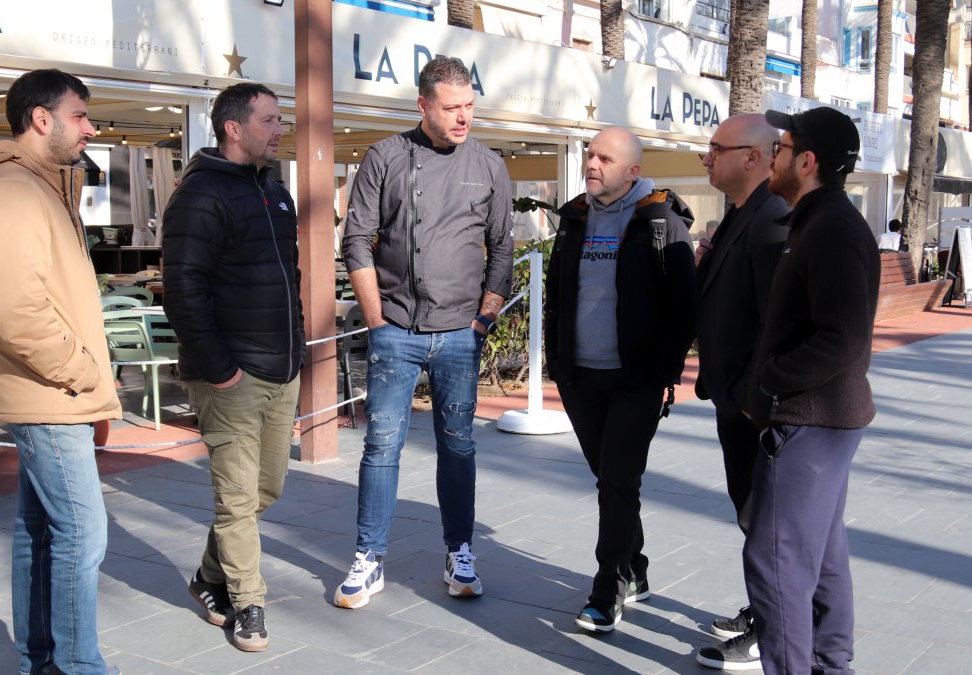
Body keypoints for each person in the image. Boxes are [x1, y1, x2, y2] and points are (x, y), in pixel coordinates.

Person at [0, 68, 122, 675]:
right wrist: (83, 373)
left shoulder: (39, 186)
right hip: (49, 392)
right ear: (41, 119)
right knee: (82, 534)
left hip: (53, 391)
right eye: (80, 116)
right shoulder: (13, 190)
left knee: (43, 532)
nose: (90, 128)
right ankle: (76, 667)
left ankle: (42, 662)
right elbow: (19, 310)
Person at [335, 56, 514, 609]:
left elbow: (502, 249)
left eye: (469, 106)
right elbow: (357, 240)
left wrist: (484, 319)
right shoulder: (385, 158)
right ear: (423, 106)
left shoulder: (488, 165)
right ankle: (369, 557)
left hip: (461, 333)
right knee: (380, 445)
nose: (463, 117)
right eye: (451, 108)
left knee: (458, 449)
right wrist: (376, 321)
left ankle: (460, 550)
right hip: (397, 332)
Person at [162, 83, 305, 652]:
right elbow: (183, 292)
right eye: (269, 120)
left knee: (266, 488)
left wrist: (295, 358)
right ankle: (249, 603)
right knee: (237, 499)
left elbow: (286, 280)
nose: (279, 130)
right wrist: (222, 372)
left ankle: (208, 577)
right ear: (233, 127)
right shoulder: (198, 197)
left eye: (279, 120)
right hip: (231, 379)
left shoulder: (274, 191)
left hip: (281, 370)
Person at [543, 127, 697, 632]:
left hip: (635, 379)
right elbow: (556, 296)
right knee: (609, 477)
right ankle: (639, 568)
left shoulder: (659, 219)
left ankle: (608, 588)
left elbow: (682, 307)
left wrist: (662, 371)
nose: (592, 163)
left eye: (605, 158)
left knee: (617, 478)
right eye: (590, 154)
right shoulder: (574, 217)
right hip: (580, 376)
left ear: (632, 170)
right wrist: (558, 363)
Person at [744, 106, 879, 674]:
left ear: (807, 160)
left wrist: (771, 379)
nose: (772, 154)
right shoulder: (818, 222)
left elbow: (841, 338)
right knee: (820, 555)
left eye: (781, 146)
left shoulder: (830, 229)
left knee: (776, 563)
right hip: (820, 420)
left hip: (810, 421)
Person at [692, 113, 789, 670]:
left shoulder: (771, 217)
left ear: (753, 156)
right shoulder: (741, 215)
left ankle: (771, 632)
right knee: (751, 513)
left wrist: (754, 397)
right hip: (734, 397)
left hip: (754, 405)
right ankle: (762, 611)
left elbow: (773, 321)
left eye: (716, 148)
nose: (707, 157)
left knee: (764, 519)